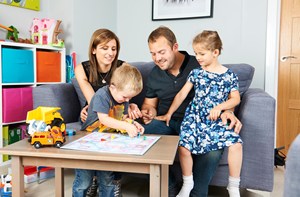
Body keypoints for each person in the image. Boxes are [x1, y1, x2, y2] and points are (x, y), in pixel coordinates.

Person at [141, 26, 243, 197]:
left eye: (161, 52)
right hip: (167, 120)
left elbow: (225, 94)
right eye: (153, 53)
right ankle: (171, 184)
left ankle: (198, 191)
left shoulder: (200, 65)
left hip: (198, 121)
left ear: (175, 47)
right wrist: (148, 112)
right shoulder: (155, 74)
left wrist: (228, 111)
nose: (157, 58)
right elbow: (149, 104)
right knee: (138, 133)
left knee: (211, 149)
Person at [74, 28, 141, 196]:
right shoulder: (83, 69)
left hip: (113, 118)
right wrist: (94, 108)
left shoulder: (123, 69)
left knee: (108, 174)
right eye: (105, 48)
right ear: (94, 49)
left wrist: (131, 119)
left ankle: (109, 183)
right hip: (96, 114)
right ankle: (92, 182)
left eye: (113, 48)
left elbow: (126, 96)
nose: (110, 53)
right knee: (83, 178)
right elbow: (94, 101)